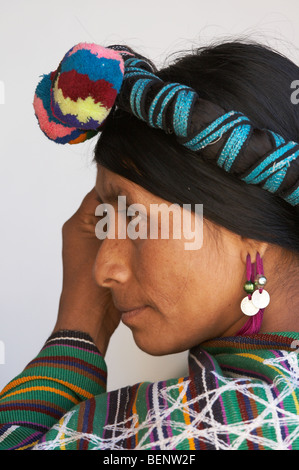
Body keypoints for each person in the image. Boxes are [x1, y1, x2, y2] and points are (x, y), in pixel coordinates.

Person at [1, 37, 299, 451]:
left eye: (136, 219)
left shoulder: (224, 421)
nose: (103, 270)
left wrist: (77, 331)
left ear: (249, 231)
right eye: (106, 219)